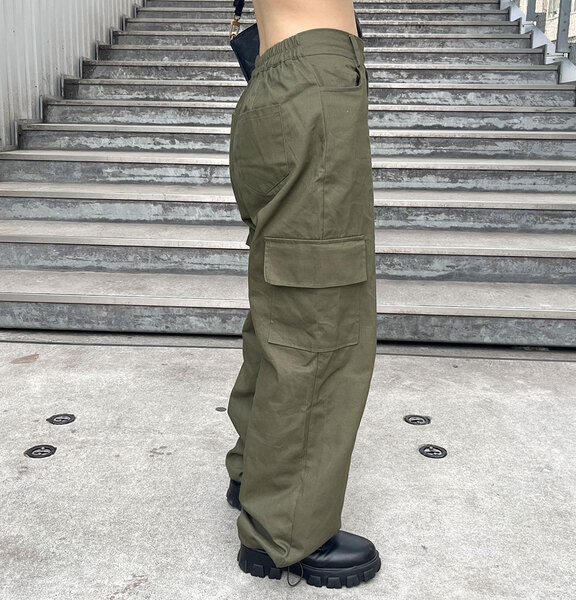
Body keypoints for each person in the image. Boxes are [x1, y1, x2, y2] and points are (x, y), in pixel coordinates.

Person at [225, 0, 380, 588]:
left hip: (278, 77)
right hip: (313, 76)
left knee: (285, 294)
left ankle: (258, 475)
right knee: (319, 308)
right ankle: (285, 530)